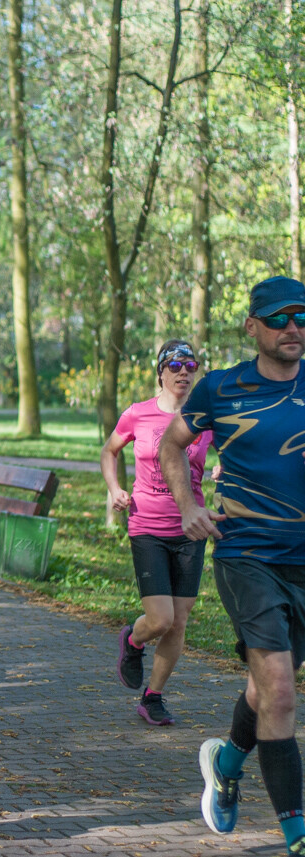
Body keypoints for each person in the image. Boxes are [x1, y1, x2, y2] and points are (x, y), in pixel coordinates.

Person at [160, 276, 305, 854]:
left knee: (268, 688)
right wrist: (189, 505)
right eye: (278, 319)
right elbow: (172, 445)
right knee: (281, 689)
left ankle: (226, 761)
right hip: (248, 556)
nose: (293, 328)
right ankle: (296, 834)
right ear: (252, 328)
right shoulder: (220, 389)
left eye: (301, 318)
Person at [101, 339, 213, 727]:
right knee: (161, 619)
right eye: (176, 365)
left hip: (191, 528)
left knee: (179, 622)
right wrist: (115, 489)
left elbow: (232, 454)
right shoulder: (138, 414)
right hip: (147, 526)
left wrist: (224, 471)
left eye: (191, 366)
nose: (184, 372)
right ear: (161, 371)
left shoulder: (204, 418)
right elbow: (109, 450)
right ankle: (133, 640)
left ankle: (153, 697)